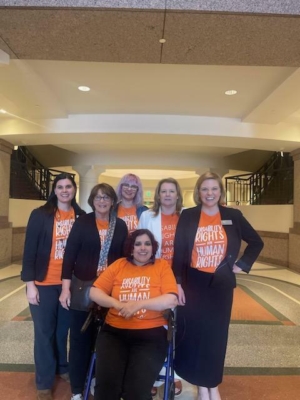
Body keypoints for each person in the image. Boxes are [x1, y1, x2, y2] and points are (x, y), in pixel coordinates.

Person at [172, 172, 264, 400]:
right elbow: (180, 252)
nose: (209, 193)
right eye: (205, 189)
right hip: (193, 283)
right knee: (193, 333)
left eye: (214, 189)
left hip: (220, 284)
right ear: (198, 192)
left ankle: (212, 383)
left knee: (216, 336)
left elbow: (256, 242)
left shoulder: (233, 215)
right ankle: (202, 385)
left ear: (220, 192)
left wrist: (240, 265)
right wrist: (178, 284)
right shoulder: (189, 215)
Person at [89, 229, 178, 400]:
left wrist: (138, 305)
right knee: (106, 389)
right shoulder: (119, 265)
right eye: (138, 244)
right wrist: (117, 304)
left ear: (153, 248)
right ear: (131, 248)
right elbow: (94, 292)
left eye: (147, 244)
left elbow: (171, 300)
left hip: (150, 334)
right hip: (114, 333)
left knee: (136, 392)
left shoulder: (162, 266)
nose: (142, 248)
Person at [60, 183, 128, 400]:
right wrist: (65, 289)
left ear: (112, 201)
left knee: (106, 341)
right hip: (83, 289)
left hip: (110, 290)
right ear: (92, 200)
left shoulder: (121, 226)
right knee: (80, 340)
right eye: (98, 197)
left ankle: (99, 380)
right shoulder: (82, 223)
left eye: (106, 197)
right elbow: (69, 256)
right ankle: (77, 390)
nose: (102, 201)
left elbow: (124, 259)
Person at [21, 173, 85, 400]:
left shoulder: (81, 216)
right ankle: (44, 382)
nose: (65, 190)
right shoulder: (40, 215)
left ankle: (63, 367)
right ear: (54, 190)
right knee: (44, 333)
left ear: (74, 189)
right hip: (43, 283)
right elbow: (29, 251)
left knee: (62, 332)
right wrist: (30, 285)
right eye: (60, 187)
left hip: (70, 284)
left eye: (69, 186)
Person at [138, 177, 184, 396]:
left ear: (177, 195)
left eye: (171, 191)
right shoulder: (147, 216)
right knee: (156, 328)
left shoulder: (185, 217)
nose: (167, 195)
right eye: (163, 191)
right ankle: (153, 375)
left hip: (181, 280)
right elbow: (138, 245)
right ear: (157, 195)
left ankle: (174, 373)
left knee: (177, 328)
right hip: (154, 278)